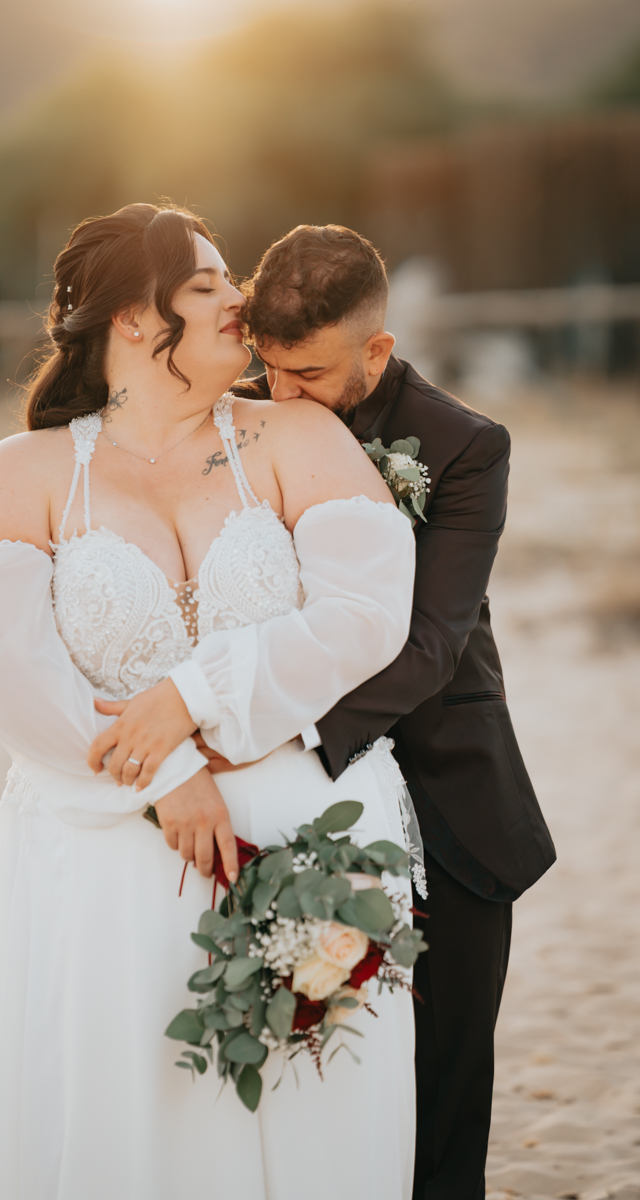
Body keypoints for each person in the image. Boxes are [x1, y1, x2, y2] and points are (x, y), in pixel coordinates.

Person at [0, 203, 420, 1200]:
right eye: (205, 284)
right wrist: (163, 776)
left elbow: (365, 613)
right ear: (131, 317)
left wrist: (194, 696)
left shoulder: (295, 434)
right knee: (136, 1126)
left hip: (306, 846)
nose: (238, 296)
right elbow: (5, 673)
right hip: (110, 859)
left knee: (317, 1129)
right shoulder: (24, 472)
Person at [217, 223, 555, 1200]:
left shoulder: (464, 446)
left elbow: (430, 645)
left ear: (376, 348)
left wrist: (283, 735)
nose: (284, 396)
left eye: (310, 374)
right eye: (268, 369)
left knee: (441, 1087)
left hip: (447, 794)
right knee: (310, 1068)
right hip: (287, 812)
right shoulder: (240, 422)